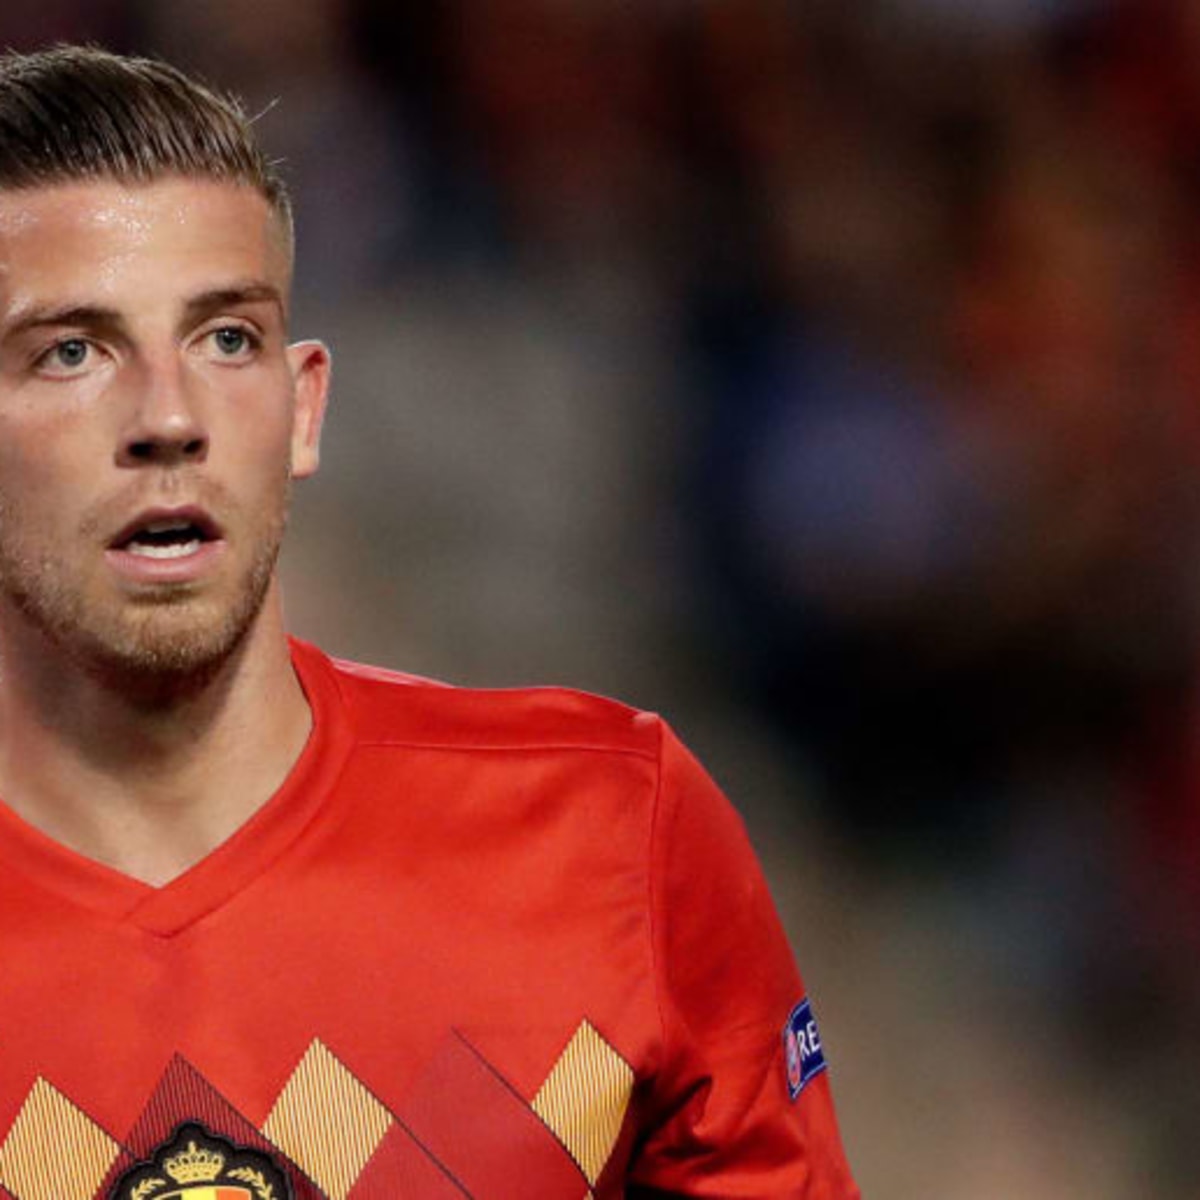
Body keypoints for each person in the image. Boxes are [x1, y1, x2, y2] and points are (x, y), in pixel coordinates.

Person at [0, 44, 859, 1200]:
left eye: (226, 338)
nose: (169, 416)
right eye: (71, 352)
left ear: (303, 408)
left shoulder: (611, 835)